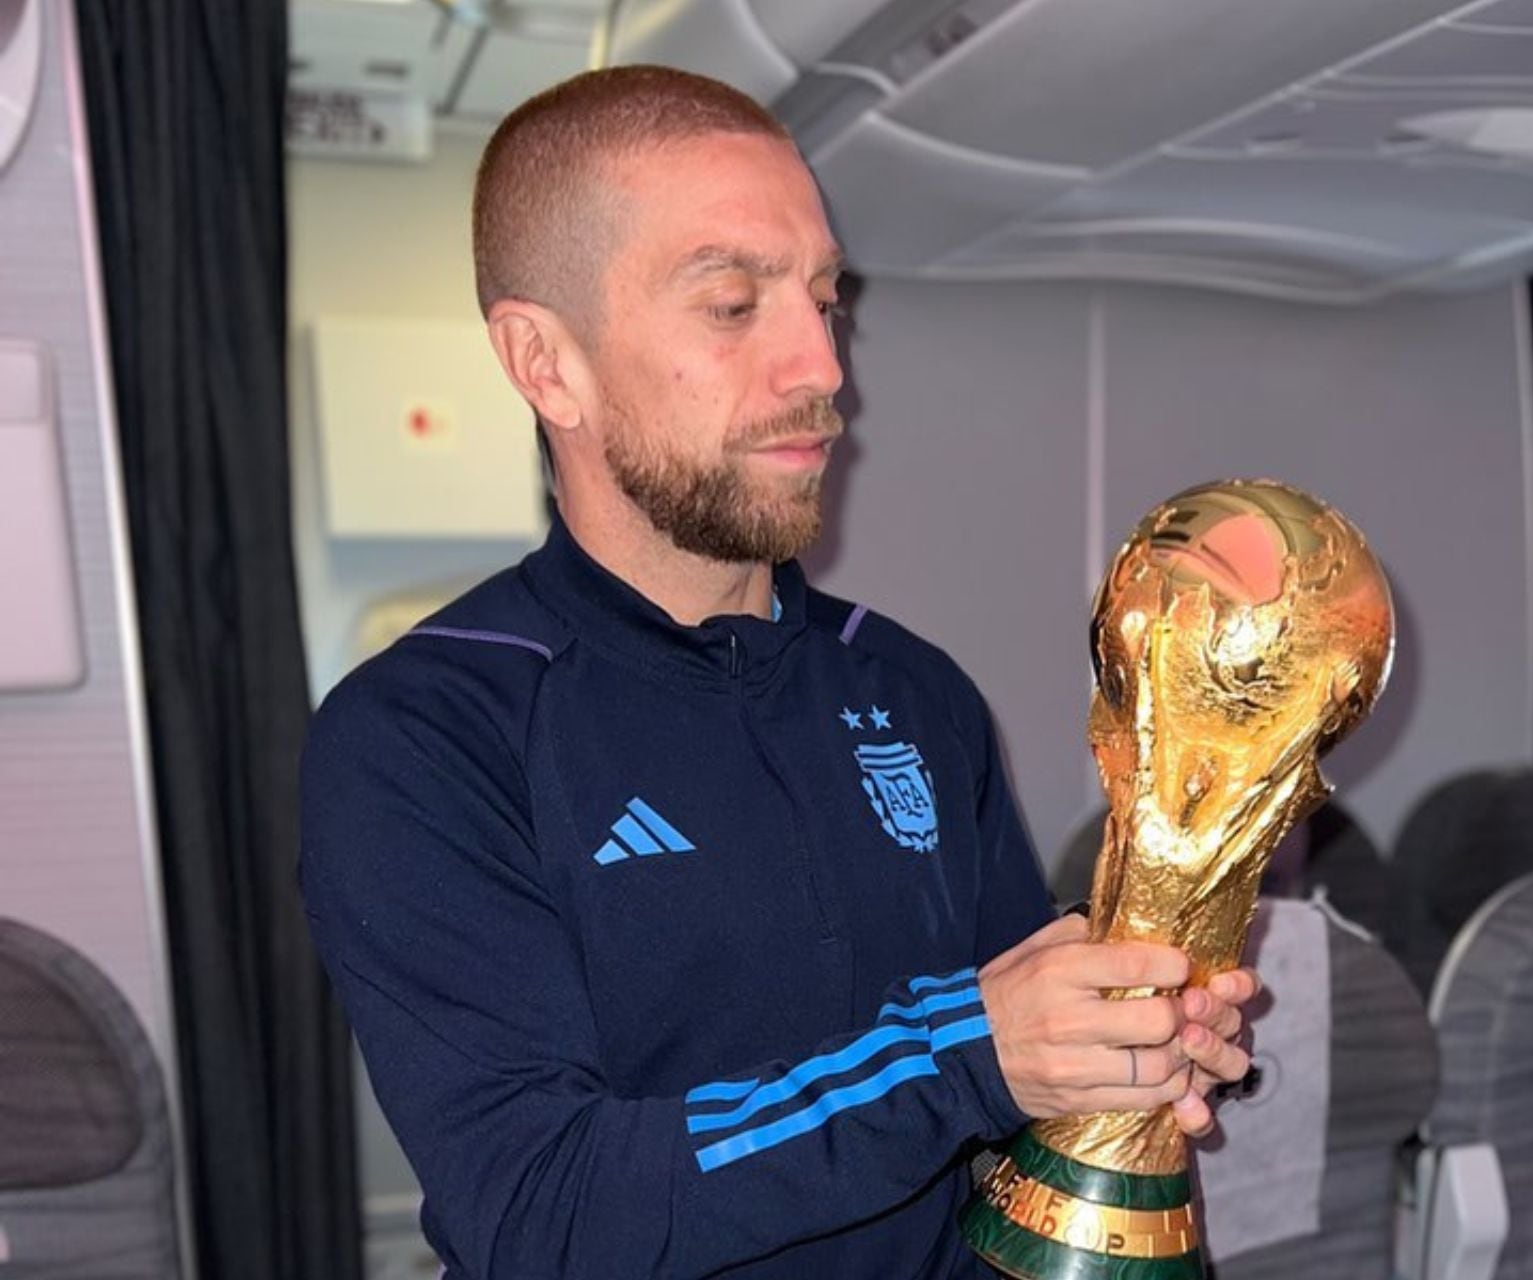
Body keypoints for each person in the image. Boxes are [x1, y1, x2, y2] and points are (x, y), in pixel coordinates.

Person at [300, 65, 1257, 1280]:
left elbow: (1004, 1111)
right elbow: (541, 1206)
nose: (821, 368)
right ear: (546, 363)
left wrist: (1122, 1046)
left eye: (823, 300)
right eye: (733, 304)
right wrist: (969, 1048)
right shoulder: (425, 734)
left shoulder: (915, 693)